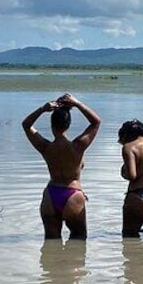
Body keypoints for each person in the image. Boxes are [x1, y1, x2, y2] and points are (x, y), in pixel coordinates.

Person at [22, 93, 101, 240]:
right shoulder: (78, 146)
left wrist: (42, 109)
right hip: (73, 194)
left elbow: (26, 125)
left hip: (51, 195)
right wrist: (76, 103)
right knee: (79, 241)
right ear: (69, 124)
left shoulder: (46, 147)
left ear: (51, 125)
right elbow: (96, 122)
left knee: (51, 244)